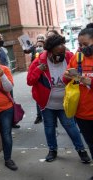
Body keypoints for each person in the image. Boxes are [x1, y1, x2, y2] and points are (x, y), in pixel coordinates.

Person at [27, 34, 91, 163]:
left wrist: (77, 77)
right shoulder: (39, 61)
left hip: (65, 102)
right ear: (49, 52)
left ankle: (81, 150)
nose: (60, 56)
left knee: (70, 126)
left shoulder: (69, 57)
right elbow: (30, 81)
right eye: (57, 53)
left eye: (62, 52)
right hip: (47, 104)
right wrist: (38, 70)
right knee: (49, 127)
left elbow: (79, 74)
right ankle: (52, 150)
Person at [63, 23, 93, 180]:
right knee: (91, 144)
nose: (81, 47)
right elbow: (65, 78)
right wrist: (68, 76)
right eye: (79, 44)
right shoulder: (77, 57)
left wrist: (89, 82)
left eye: (85, 44)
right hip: (81, 113)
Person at [0, 33, 20, 128]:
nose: (2, 40)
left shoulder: (3, 50)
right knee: (3, 101)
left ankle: (12, 121)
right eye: (0, 39)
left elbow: (7, 63)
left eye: (2, 38)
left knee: (11, 99)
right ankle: (4, 122)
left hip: (7, 78)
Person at [24, 35, 46, 124]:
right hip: (36, 76)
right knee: (38, 97)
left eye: (40, 46)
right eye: (37, 46)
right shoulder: (33, 50)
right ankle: (39, 116)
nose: (38, 48)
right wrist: (25, 44)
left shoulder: (49, 56)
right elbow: (26, 51)